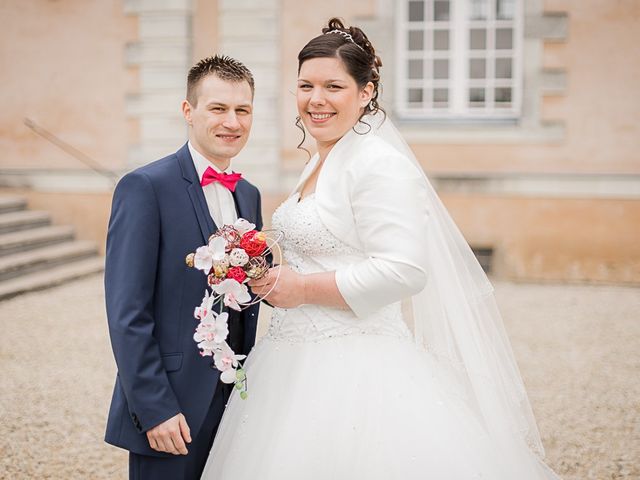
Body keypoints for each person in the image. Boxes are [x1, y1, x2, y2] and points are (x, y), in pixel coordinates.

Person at [201, 18, 561, 480]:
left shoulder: (379, 164)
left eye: (334, 86)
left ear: (366, 92)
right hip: (289, 357)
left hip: (359, 365)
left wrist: (302, 288)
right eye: (305, 85)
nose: (316, 99)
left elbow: (404, 270)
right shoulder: (319, 160)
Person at [104, 55, 264, 480]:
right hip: (170, 407)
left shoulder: (248, 195)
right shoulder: (145, 187)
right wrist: (154, 408)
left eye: (242, 110)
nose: (232, 122)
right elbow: (127, 313)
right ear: (188, 112)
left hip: (234, 404)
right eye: (218, 108)